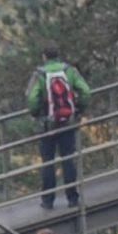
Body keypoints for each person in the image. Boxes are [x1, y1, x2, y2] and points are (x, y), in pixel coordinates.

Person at [28, 55, 86, 214]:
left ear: (44, 56)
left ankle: (48, 201)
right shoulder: (69, 71)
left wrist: (36, 113)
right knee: (68, 159)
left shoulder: (39, 74)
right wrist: (79, 109)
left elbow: (32, 99)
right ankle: (72, 198)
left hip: (47, 126)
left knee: (48, 162)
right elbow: (86, 91)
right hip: (67, 123)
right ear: (57, 55)